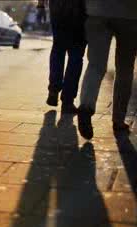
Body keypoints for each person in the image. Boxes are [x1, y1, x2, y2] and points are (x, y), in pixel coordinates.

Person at [77, 0, 137, 139]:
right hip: (130, 15)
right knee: (125, 69)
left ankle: (86, 108)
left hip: (97, 11)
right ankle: (118, 120)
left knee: (95, 65)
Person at [46, 0, 87, 114]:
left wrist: (40, 4)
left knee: (58, 50)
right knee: (76, 56)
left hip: (57, 9)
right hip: (80, 10)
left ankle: (53, 90)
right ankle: (68, 101)